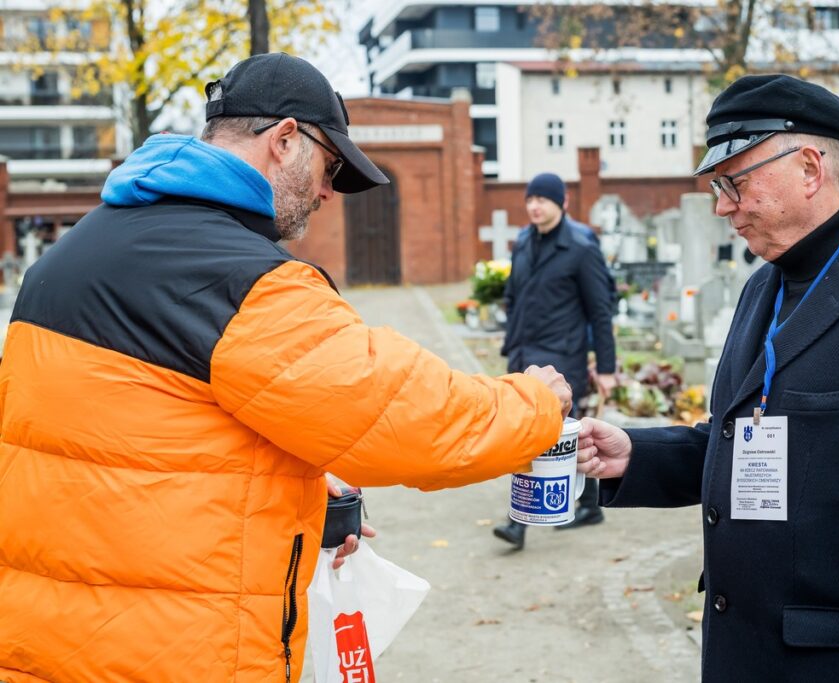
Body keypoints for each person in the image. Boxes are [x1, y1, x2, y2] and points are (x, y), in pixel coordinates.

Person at [0, 53, 573, 683]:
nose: (328, 193)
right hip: (177, 651)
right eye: (330, 168)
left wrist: (288, 482)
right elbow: (406, 419)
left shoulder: (70, 255)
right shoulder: (242, 279)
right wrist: (534, 404)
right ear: (285, 139)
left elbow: (112, 437)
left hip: (44, 642)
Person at [576, 74, 839, 680]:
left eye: (735, 183)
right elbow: (747, 441)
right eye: (718, 186)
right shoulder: (763, 286)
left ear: (810, 169)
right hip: (742, 653)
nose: (722, 206)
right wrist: (637, 455)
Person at [493, 173, 616, 550]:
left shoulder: (580, 247)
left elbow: (600, 311)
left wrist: (607, 368)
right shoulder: (524, 241)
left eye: (542, 200)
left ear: (561, 202)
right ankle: (590, 505)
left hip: (561, 358)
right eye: (530, 199)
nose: (535, 206)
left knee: (534, 435)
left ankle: (518, 522)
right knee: (563, 434)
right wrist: (510, 342)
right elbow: (514, 295)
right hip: (524, 354)